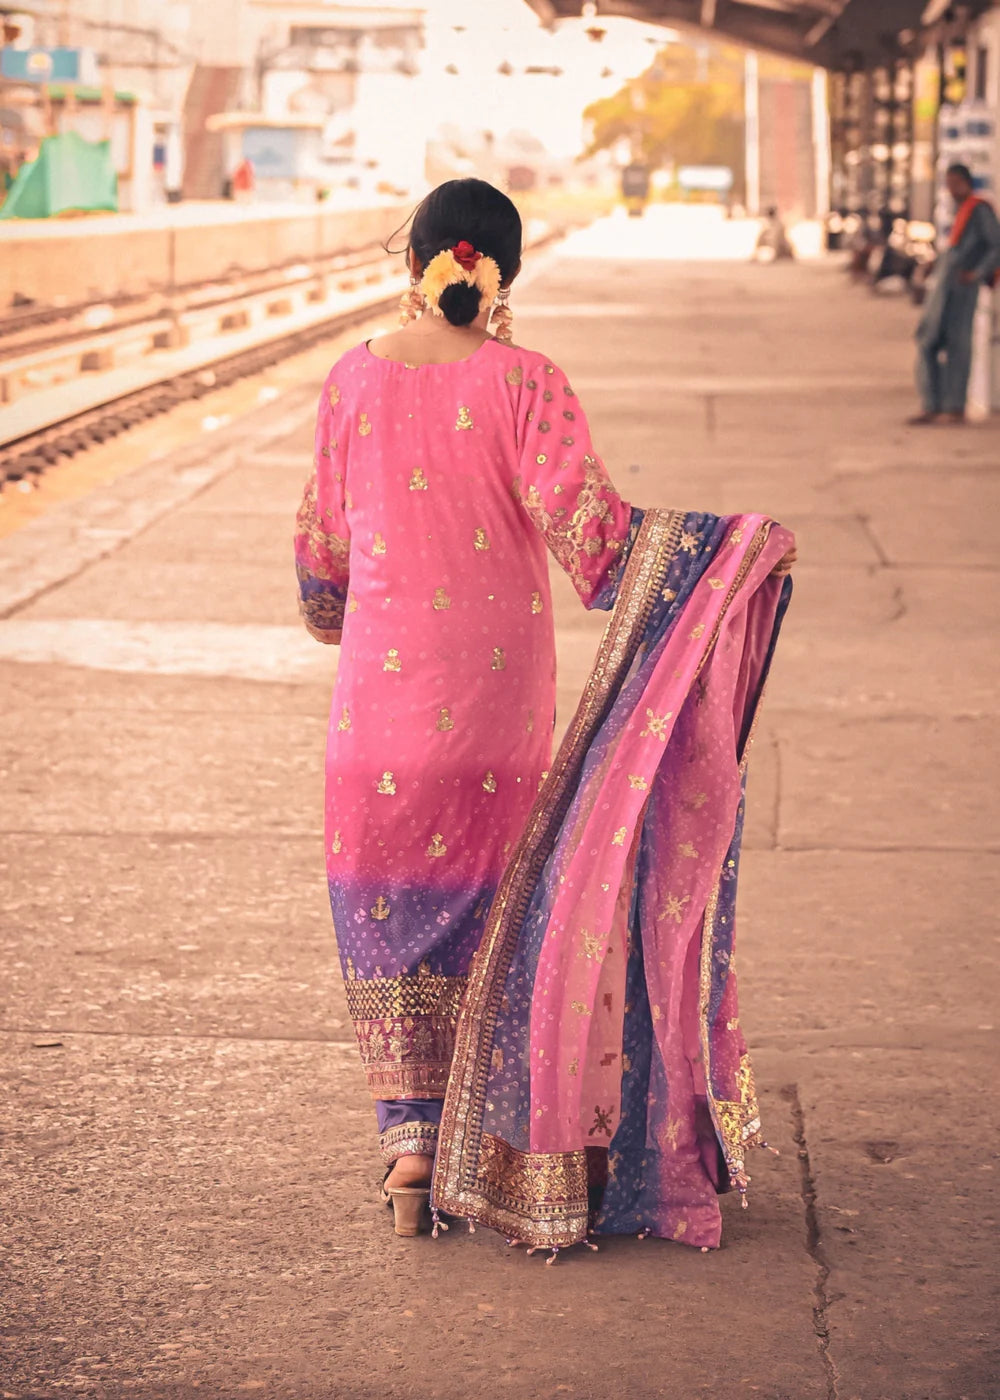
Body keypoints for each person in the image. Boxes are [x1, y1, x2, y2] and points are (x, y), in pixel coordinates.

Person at [294, 178, 797, 1251]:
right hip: (493, 719)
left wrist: (350, 613)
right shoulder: (529, 384)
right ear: (505, 276)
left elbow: (320, 564)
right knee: (499, 913)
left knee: (388, 918)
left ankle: (409, 1145)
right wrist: (723, 555)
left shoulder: (348, 379)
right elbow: (603, 550)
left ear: (415, 263)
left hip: (373, 718)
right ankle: (496, 1150)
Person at [911, 163, 1000, 424]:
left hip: (962, 286)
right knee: (928, 339)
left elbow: (995, 246)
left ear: (965, 182)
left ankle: (954, 406)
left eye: (954, 184)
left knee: (958, 344)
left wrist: (977, 273)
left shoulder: (979, 209)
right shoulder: (959, 210)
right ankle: (933, 403)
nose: (950, 190)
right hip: (945, 285)